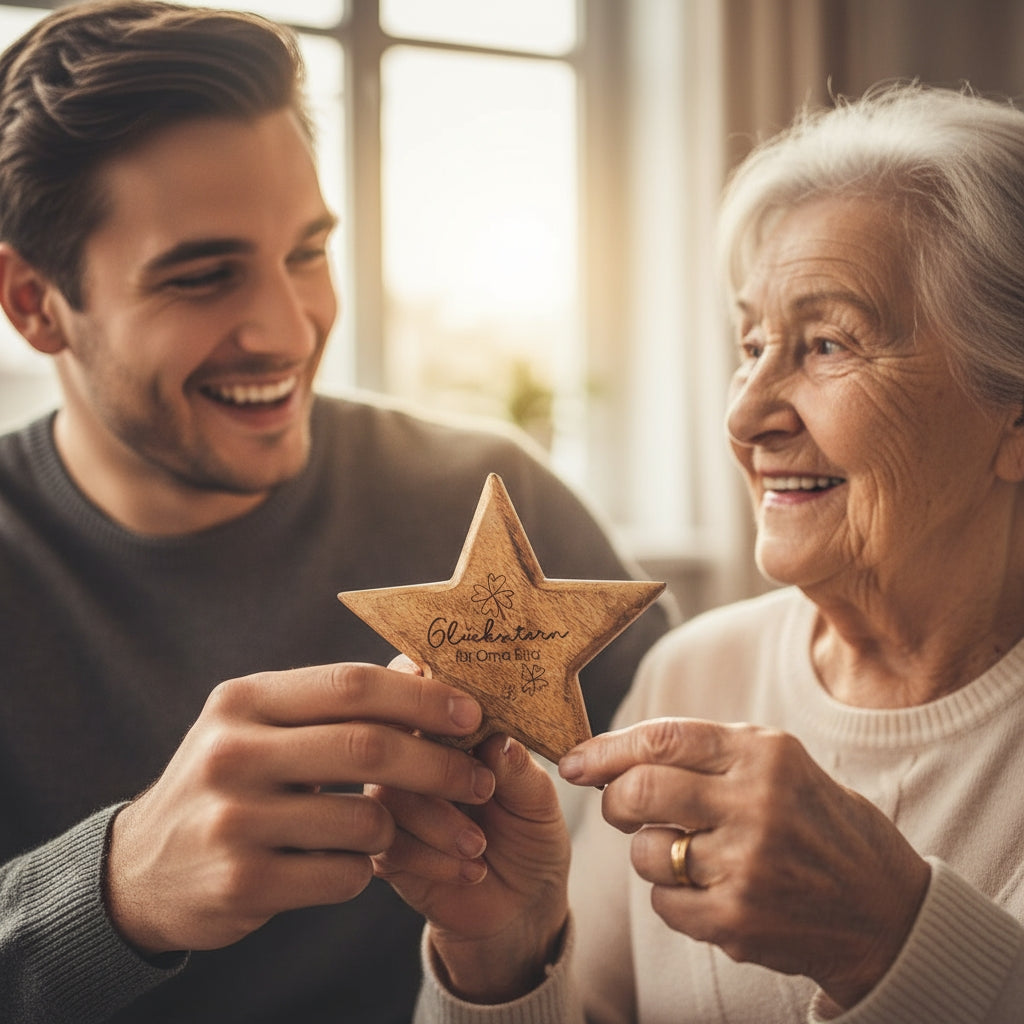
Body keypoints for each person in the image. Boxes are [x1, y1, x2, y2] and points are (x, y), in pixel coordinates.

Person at [0, 3, 674, 1022]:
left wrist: (510, 957)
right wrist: (116, 889)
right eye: (203, 276)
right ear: (34, 302)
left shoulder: (493, 498)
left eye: (307, 253)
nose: (288, 328)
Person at [378, 82, 1024, 1024]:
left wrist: (891, 942)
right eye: (751, 343)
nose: (746, 415)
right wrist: (505, 956)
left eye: (828, 344)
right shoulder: (692, 672)